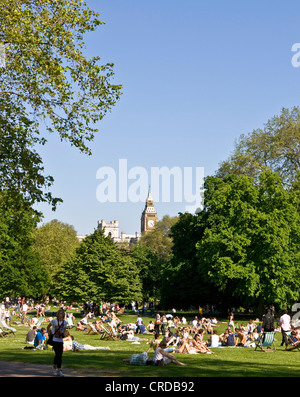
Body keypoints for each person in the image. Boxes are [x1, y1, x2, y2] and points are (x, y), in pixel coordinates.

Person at [47, 308, 68, 377]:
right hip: (54, 339)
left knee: (60, 355)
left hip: (60, 340)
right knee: (57, 354)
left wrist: (64, 334)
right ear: (57, 315)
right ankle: (58, 369)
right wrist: (49, 332)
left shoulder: (65, 322)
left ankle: (55, 367)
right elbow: (48, 326)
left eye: (62, 314)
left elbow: (64, 330)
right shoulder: (54, 321)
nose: (60, 315)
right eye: (59, 313)